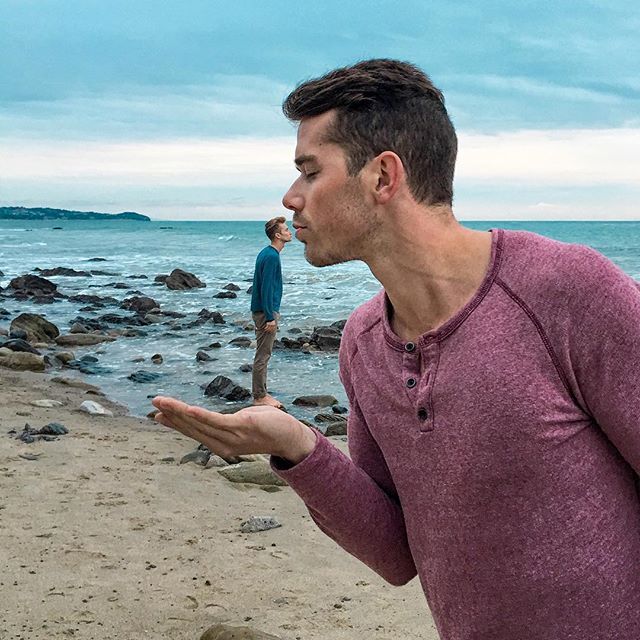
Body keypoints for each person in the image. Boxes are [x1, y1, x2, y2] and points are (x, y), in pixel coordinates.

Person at [153, 59, 640, 639]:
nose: (290, 198)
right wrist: (296, 446)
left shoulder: (566, 291)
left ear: (383, 177)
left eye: (309, 172)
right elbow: (393, 552)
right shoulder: (362, 343)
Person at [250, 215, 292, 408]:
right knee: (263, 355)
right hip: (265, 312)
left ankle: (260, 394)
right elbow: (266, 288)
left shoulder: (266, 253)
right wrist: (269, 317)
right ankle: (260, 396)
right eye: (285, 230)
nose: (289, 232)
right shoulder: (272, 256)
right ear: (277, 235)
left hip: (262, 310)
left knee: (262, 353)